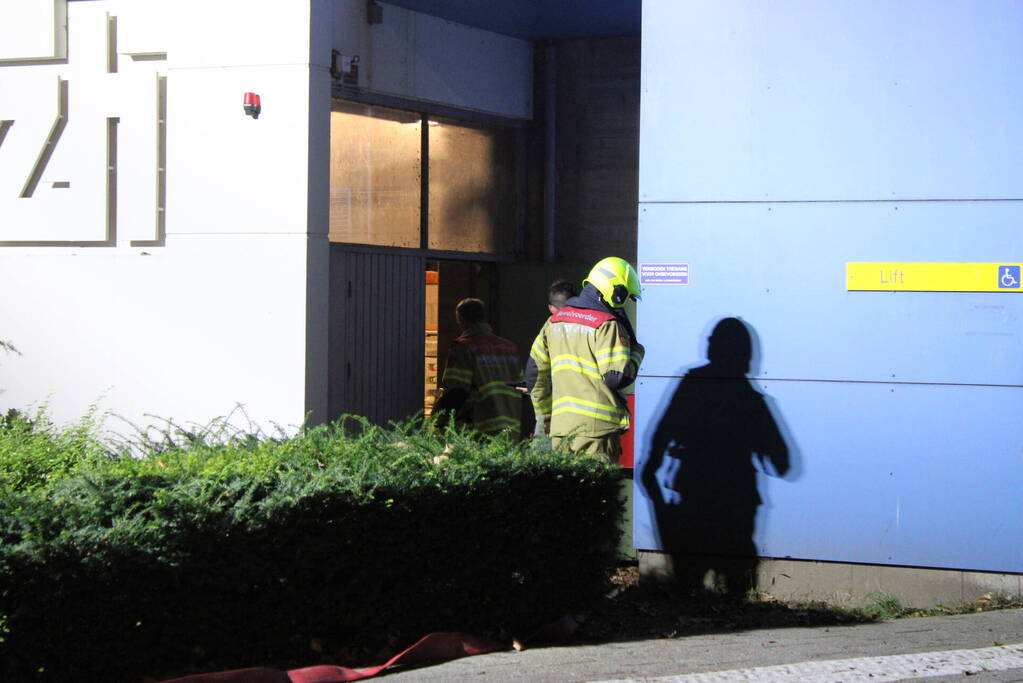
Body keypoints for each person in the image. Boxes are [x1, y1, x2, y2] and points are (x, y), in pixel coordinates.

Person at [529, 257, 644, 463]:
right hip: (597, 434)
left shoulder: (554, 321)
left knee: (568, 493)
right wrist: (637, 353)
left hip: (561, 431)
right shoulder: (606, 324)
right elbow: (616, 377)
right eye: (624, 295)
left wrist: (546, 417)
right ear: (614, 291)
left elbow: (534, 374)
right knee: (597, 492)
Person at [433, 298, 523, 437]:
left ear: (461, 321)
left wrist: (437, 420)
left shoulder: (463, 348)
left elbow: (456, 393)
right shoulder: (510, 349)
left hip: (480, 432)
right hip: (511, 432)